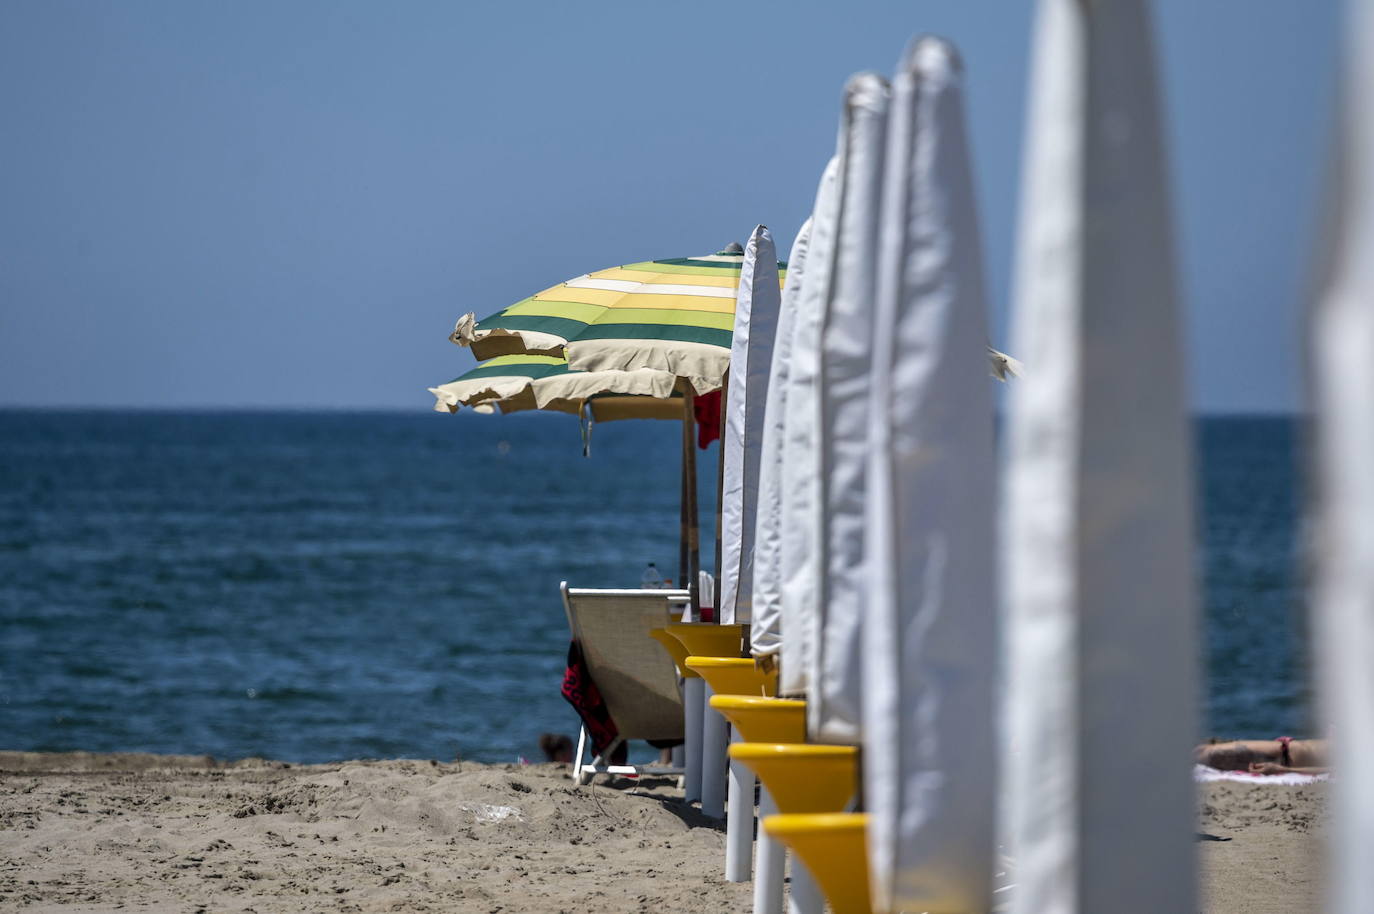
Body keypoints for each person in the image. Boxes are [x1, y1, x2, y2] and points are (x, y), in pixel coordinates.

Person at [1194, 737, 1329, 776]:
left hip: (1285, 757)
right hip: (1284, 750)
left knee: (1205, 754)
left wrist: (1286, 770)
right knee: (1204, 753)